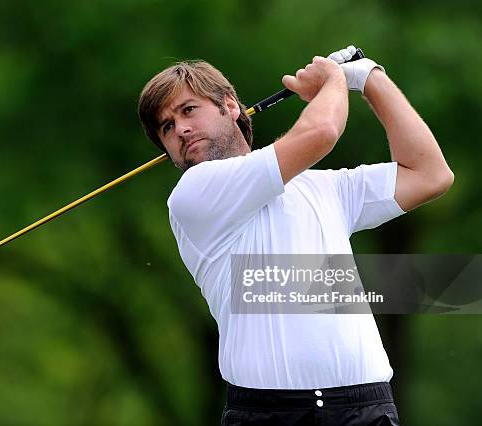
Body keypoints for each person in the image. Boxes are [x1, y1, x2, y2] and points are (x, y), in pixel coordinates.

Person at [137, 46, 453, 425]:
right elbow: (321, 131)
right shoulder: (194, 193)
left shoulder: (325, 188)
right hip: (269, 414)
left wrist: (370, 78)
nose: (181, 130)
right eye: (166, 127)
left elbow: (431, 175)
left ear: (231, 106)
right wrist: (334, 80)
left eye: (188, 110)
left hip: (367, 408)